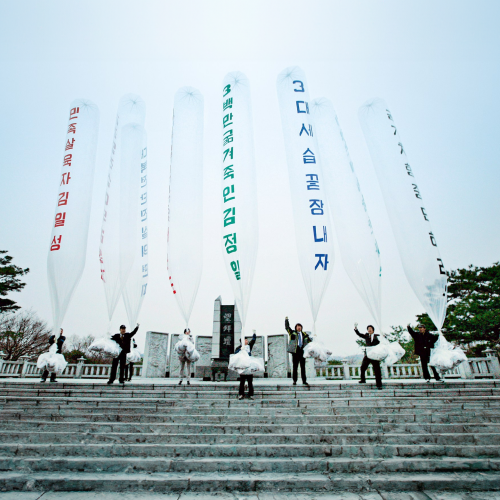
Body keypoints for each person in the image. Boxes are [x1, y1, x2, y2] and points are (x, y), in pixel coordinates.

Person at [354, 323, 383, 390]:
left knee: (377, 370)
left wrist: (384, 336)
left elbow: (383, 341)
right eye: (368, 329)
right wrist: (356, 329)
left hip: (375, 355)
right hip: (368, 355)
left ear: (373, 330)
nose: (369, 330)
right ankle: (363, 379)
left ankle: (379, 385)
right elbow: (359, 334)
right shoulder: (366, 336)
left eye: (370, 329)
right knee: (363, 367)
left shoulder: (377, 336)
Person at [285, 317, 311, 387]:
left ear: (301, 327)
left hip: (302, 352)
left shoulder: (305, 334)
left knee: (303, 367)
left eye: (300, 326)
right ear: (296, 327)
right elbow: (287, 327)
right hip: (295, 352)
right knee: (295, 367)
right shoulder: (292, 333)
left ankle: (304, 381)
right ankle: (294, 380)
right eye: (297, 326)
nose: (299, 328)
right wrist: (286, 320)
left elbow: (309, 341)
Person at [235, 331, 257, 400]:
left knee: (250, 381)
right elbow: (235, 354)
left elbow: (253, 341)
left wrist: (254, 333)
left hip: (249, 366)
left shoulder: (249, 346)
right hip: (242, 366)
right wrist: (240, 350)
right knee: (242, 381)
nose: (247, 341)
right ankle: (241, 394)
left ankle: (251, 394)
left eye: (247, 340)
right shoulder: (239, 348)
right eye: (245, 340)